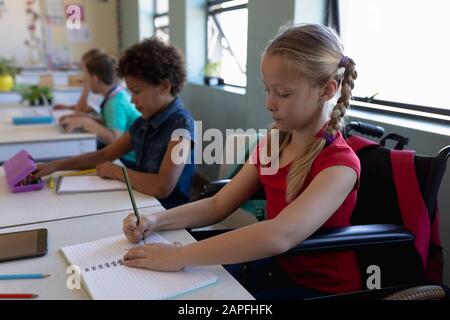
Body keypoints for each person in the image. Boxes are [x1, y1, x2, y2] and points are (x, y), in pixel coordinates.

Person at [121, 24, 361, 299]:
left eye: (282, 93)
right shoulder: (275, 142)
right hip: (274, 269)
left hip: (317, 289)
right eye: (267, 90)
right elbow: (219, 204)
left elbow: (279, 235)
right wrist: (154, 220)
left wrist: (180, 255)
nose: (270, 103)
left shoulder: (340, 165)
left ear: (327, 90)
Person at [33, 38, 195, 209]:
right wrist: (55, 165)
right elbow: (104, 155)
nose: (132, 100)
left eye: (137, 91)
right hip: (141, 201)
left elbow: (162, 187)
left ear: (164, 87)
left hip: (165, 211)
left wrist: (118, 172)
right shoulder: (143, 122)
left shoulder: (181, 127)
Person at [53, 48, 104, 113]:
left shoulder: (100, 93)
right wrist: (67, 107)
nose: (83, 75)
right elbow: (86, 106)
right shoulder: (97, 90)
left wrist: (86, 90)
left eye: (84, 71)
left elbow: (79, 111)